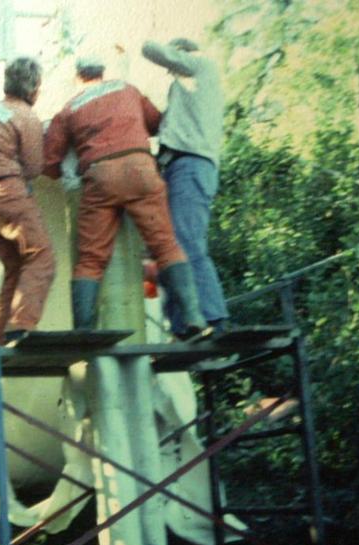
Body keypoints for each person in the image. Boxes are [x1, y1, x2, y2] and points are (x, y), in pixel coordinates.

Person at [43, 54, 206, 335]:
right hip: (140, 168)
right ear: (102, 71)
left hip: (99, 177)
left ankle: (84, 331)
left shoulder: (68, 109)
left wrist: (65, 177)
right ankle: (194, 318)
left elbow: (49, 162)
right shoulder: (126, 88)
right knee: (165, 245)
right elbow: (157, 123)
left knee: (91, 260)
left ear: (77, 78)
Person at [142, 37, 229, 335]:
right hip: (179, 166)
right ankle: (182, 324)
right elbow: (164, 125)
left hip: (191, 165)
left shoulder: (201, 67)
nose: (170, 70)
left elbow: (152, 49)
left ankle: (214, 319)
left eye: (174, 63)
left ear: (183, 56)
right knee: (168, 247)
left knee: (186, 242)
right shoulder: (189, 93)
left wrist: (147, 38)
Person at [0, 56, 56, 346]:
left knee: (14, 269)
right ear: (33, 87)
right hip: (10, 191)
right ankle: (21, 325)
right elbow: (33, 168)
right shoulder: (26, 116)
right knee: (41, 257)